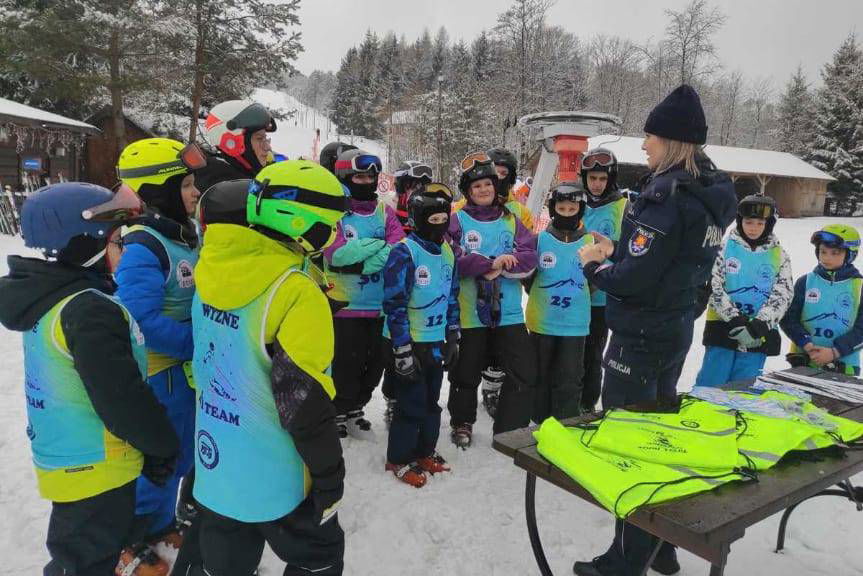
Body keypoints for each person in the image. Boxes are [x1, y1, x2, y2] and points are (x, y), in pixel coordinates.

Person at [573, 84, 737, 576]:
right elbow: (671, 261)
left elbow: (634, 281)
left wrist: (593, 263)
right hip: (673, 330)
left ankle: (626, 560)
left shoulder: (667, 196)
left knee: (632, 448)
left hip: (639, 338)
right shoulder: (710, 191)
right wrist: (619, 249)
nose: (644, 145)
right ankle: (660, 547)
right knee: (659, 438)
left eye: (650, 136)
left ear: (673, 140)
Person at [0, 183, 179, 576]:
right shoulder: (88, 310)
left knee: (85, 551)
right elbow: (121, 397)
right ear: (84, 244)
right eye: (117, 241)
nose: (124, 252)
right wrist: (161, 446)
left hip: (71, 457)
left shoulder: (50, 296)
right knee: (84, 561)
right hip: (96, 467)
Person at [188, 160, 347, 576]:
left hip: (217, 459)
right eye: (330, 224)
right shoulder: (294, 290)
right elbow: (304, 402)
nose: (335, 235)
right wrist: (329, 474)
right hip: (277, 473)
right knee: (319, 557)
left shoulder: (212, 265)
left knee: (225, 561)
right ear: (299, 222)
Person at [112, 139, 206, 556]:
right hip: (161, 373)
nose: (195, 192)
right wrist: (198, 343)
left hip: (185, 372)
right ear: (157, 191)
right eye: (185, 185)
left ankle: (162, 522)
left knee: (181, 454)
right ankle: (136, 539)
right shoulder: (143, 246)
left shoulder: (184, 235)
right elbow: (140, 319)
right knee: (160, 457)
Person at [447, 152, 537, 448]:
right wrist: (489, 264)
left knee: (522, 370)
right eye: (476, 186)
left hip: (508, 312)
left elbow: (529, 256)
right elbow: (451, 258)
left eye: (487, 184)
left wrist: (504, 265)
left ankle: (510, 427)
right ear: (468, 191)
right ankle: (462, 421)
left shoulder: (511, 219)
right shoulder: (457, 220)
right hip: (470, 313)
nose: (483, 190)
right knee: (466, 371)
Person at [323, 149, 405, 438]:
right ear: (345, 178)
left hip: (379, 306)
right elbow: (336, 254)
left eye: (371, 177)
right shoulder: (336, 214)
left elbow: (398, 249)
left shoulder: (385, 212)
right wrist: (377, 246)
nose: (366, 182)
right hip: (345, 305)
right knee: (345, 364)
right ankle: (337, 410)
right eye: (359, 177)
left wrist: (361, 260)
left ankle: (356, 407)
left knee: (374, 366)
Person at [383, 184, 459, 487]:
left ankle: (425, 450)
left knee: (431, 402)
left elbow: (452, 296)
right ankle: (399, 457)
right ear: (417, 219)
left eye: (443, 219)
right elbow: (394, 303)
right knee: (411, 403)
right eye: (432, 219)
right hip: (410, 341)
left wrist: (453, 334)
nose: (438, 226)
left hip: (435, 340)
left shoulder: (448, 252)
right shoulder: (405, 252)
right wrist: (401, 348)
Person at [695, 195, 793, 387]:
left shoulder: (780, 255)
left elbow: (783, 294)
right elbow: (714, 287)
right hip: (723, 328)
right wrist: (734, 319)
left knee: (743, 387)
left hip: (758, 333)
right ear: (740, 221)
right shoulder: (723, 249)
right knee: (711, 382)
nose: (753, 228)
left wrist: (759, 325)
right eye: (748, 222)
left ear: (769, 224)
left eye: (759, 223)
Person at [526, 182, 593, 422]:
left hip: (574, 324)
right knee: (540, 374)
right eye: (561, 209)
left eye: (571, 209)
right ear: (553, 209)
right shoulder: (540, 240)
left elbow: (595, 280)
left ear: (580, 210)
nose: (566, 213)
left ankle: (566, 422)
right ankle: (538, 421)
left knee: (569, 377)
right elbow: (528, 277)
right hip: (543, 321)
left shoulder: (590, 242)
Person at [382, 160, 434, 427]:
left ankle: (418, 400)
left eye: (423, 187)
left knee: (421, 351)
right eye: (413, 186)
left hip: (424, 294)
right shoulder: (390, 211)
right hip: (393, 292)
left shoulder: (430, 213)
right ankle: (393, 398)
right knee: (395, 349)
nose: (418, 192)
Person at [580, 147, 627, 411]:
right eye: (592, 178)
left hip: (602, 295)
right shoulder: (575, 200)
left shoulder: (623, 207)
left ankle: (587, 404)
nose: (597, 184)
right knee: (571, 353)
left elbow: (630, 250)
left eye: (602, 178)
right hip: (574, 292)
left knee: (593, 353)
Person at [781, 224, 863, 376]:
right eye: (822, 251)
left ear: (850, 254)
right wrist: (806, 344)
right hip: (803, 361)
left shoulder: (859, 287)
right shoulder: (805, 282)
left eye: (835, 253)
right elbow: (788, 319)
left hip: (843, 366)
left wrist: (835, 352)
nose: (826, 258)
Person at [196, 100, 276, 192]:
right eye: (259, 138)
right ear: (231, 142)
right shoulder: (225, 187)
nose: (268, 147)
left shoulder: (245, 171)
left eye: (265, 138)